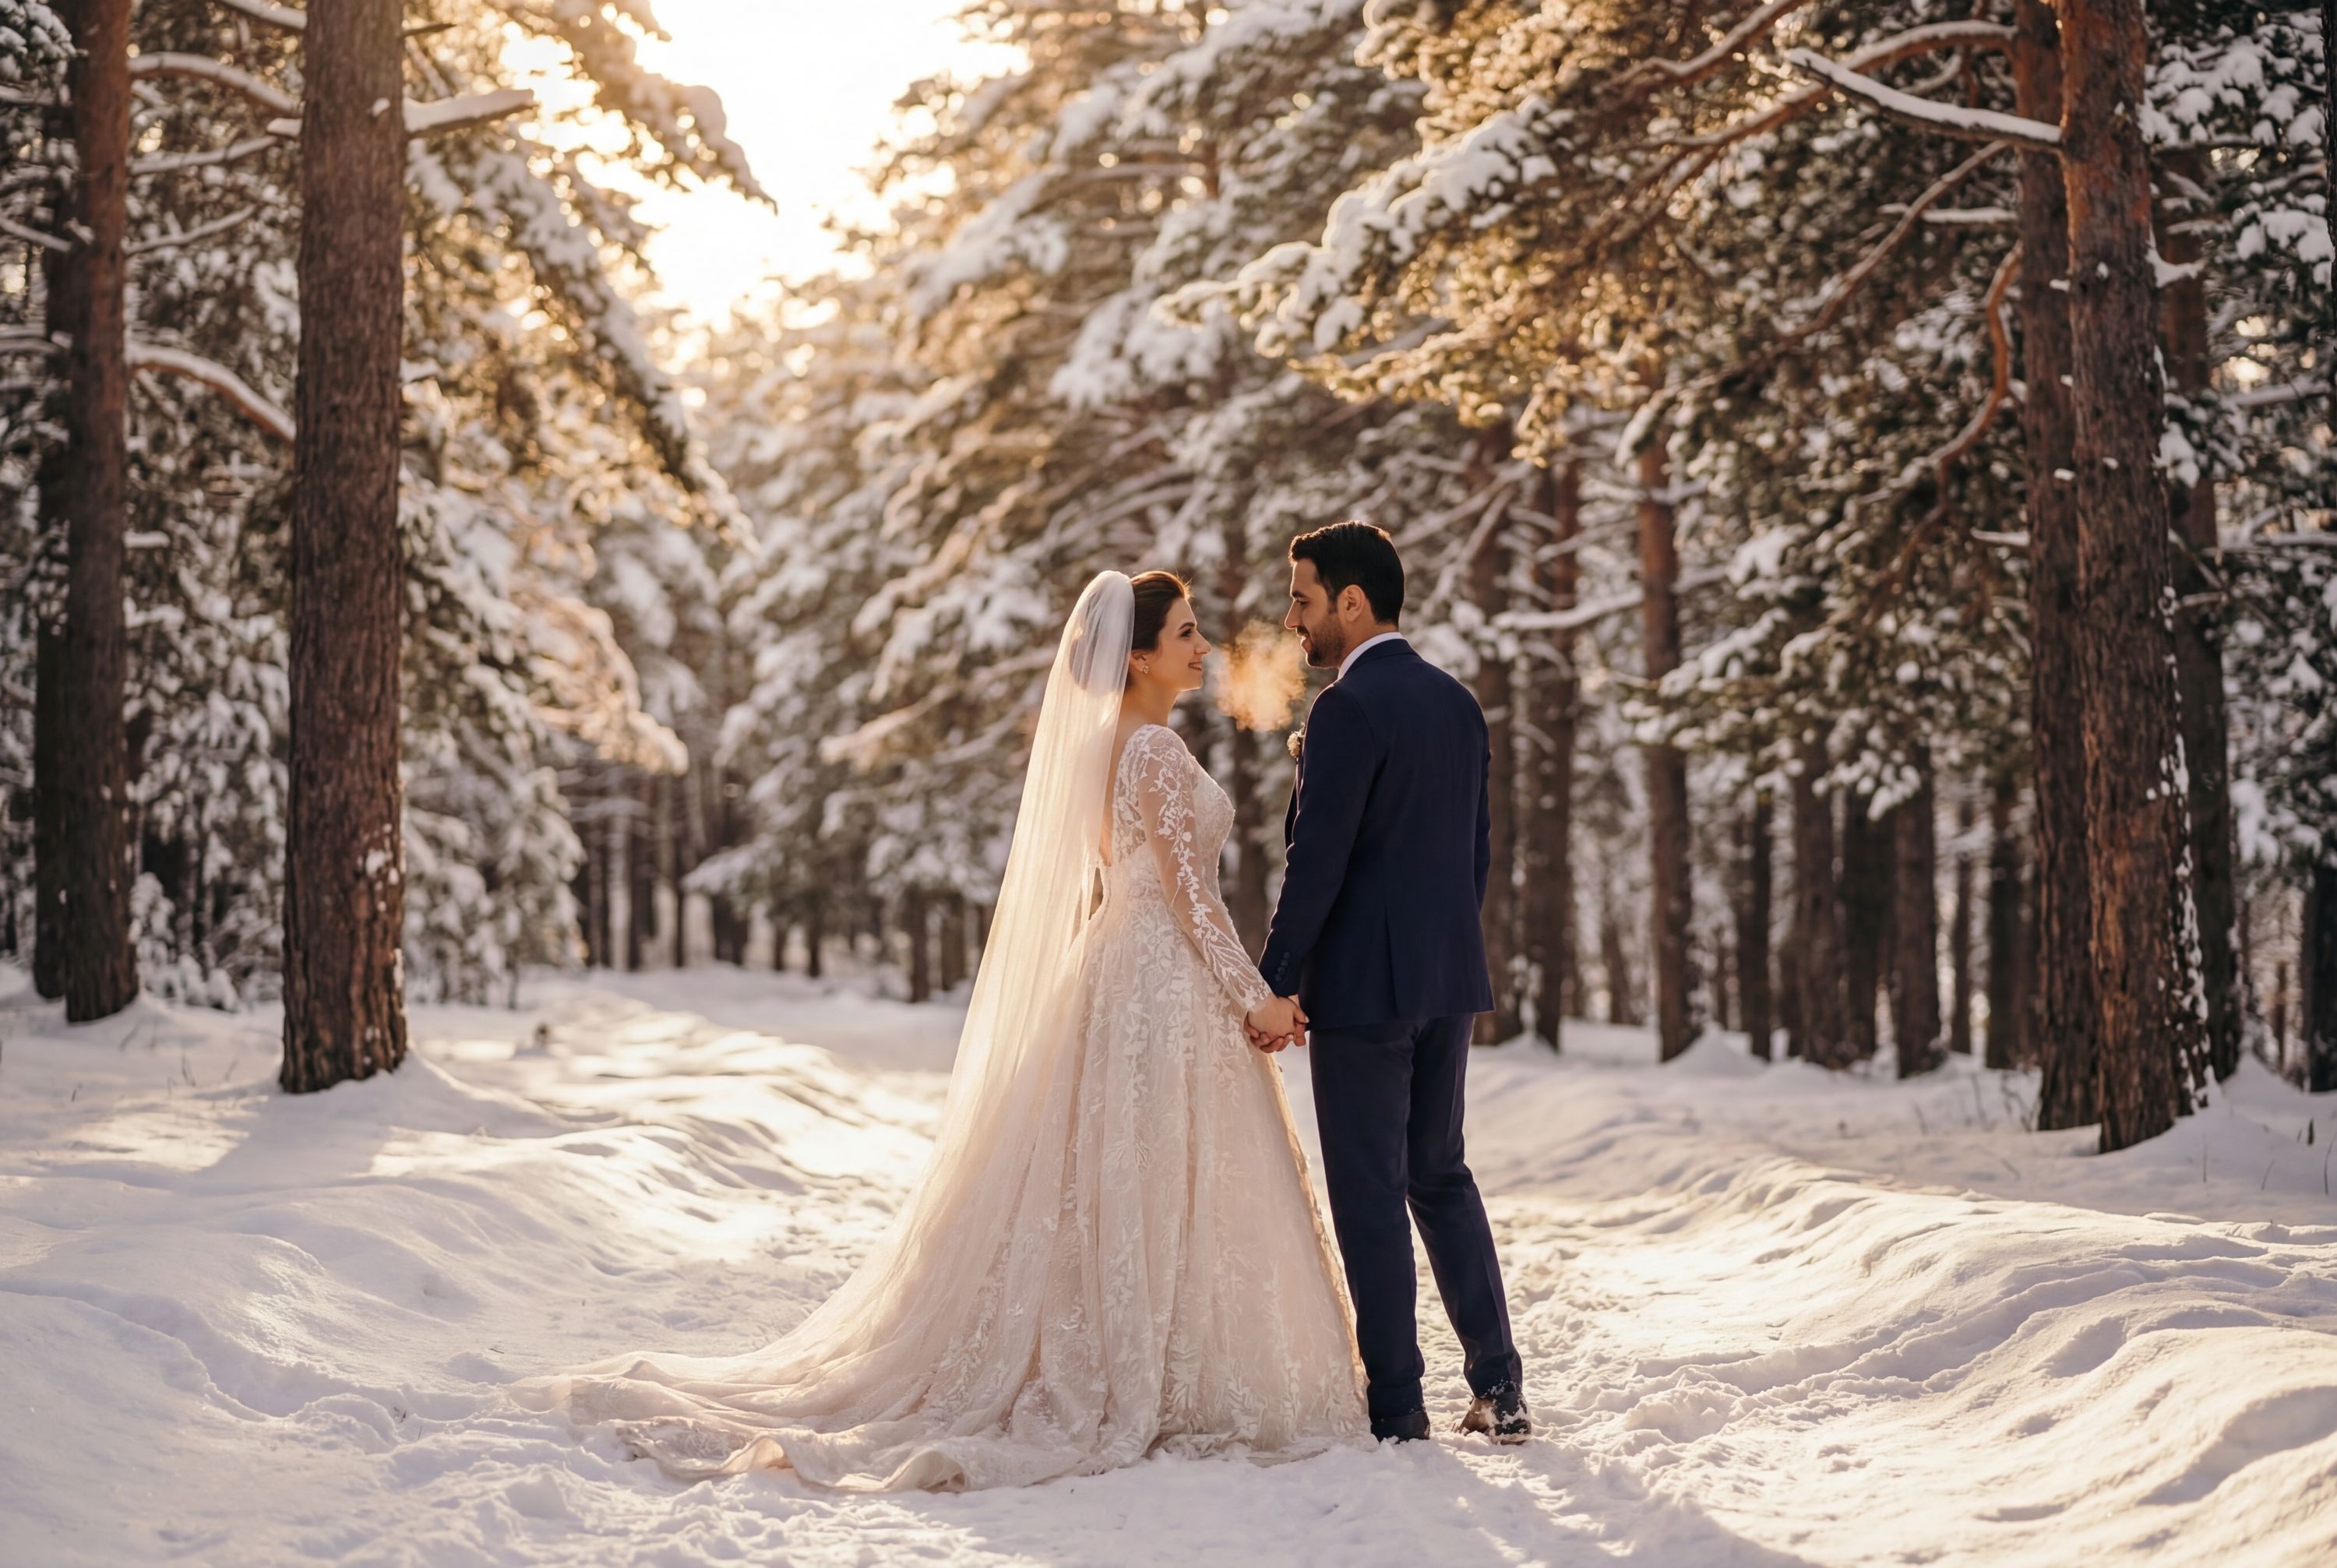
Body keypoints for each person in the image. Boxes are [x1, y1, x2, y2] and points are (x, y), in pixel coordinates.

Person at [520, 570, 1367, 1491]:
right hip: (1157, 976)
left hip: (1119, 970)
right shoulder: (1154, 752)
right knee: (1152, 1169)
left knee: (1122, 1174)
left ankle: (1146, 1354)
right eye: (1188, 633)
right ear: (1137, 655)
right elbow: (1187, 894)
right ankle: (1169, 1372)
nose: (1204, 648)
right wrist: (1255, 997)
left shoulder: (1100, 748)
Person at [1250, 520, 1531, 1446]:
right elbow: (1474, 855)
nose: (1294, 618)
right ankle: (1500, 1384)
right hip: (1447, 980)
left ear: (1352, 602)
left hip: (1366, 991)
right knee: (1439, 1175)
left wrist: (1277, 980)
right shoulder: (1458, 704)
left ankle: (1399, 1409)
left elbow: (1315, 861)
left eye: (1302, 597)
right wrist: (1447, 951)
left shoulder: (1346, 708)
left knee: (1371, 1191)